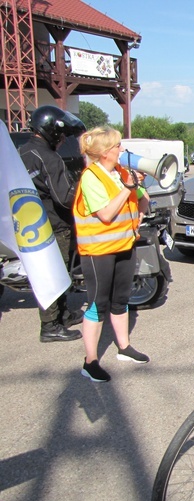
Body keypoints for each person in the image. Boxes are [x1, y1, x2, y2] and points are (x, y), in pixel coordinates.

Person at [73, 126, 151, 382]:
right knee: (98, 303)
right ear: (105, 152)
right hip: (98, 251)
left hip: (124, 246)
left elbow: (143, 199)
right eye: (118, 146)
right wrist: (127, 188)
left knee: (121, 299)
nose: (122, 150)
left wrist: (141, 204)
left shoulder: (121, 172)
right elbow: (106, 214)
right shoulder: (90, 177)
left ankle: (124, 347)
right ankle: (90, 361)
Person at [19, 105, 86, 343]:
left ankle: (63, 314)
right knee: (54, 274)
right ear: (52, 131)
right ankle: (50, 326)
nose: (63, 139)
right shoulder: (50, 158)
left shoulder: (23, 152)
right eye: (62, 134)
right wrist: (82, 188)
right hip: (55, 225)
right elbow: (64, 197)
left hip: (33, 224)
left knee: (53, 273)